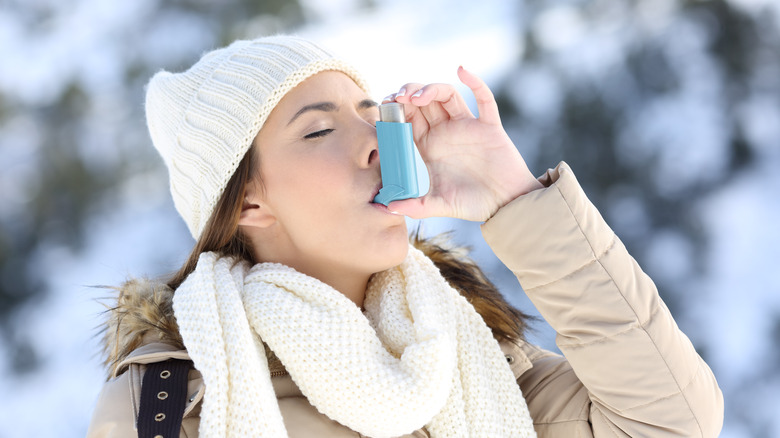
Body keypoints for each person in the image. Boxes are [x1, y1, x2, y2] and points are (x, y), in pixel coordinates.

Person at [87, 35, 723, 438]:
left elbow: (673, 422)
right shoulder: (166, 409)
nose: (377, 142)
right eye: (318, 130)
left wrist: (514, 198)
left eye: (373, 115)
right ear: (248, 201)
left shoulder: (470, 356)